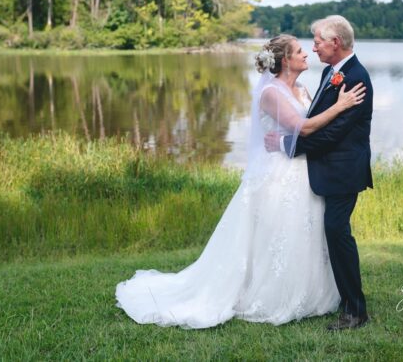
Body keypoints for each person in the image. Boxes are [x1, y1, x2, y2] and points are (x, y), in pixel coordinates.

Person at [115, 34, 365, 329]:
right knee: (275, 234)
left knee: (303, 232)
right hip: (278, 176)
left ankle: (310, 292)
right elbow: (302, 127)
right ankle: (271, 294)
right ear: (285, 60)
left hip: (303, 173)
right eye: (299, 51)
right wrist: (341, 105)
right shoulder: (271, 93)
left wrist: (335, 106)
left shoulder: (302, 88)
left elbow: (306, 129)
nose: (306, 54)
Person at [265, 15, 373, 330]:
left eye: (317, 42)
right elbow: (316, 120)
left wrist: (287, 144)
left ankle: (355, 310)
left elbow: (332, 134)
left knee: (338, 233)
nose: (313, 49)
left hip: (343, 171)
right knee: (331, 233)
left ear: (335, 43)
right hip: (327, 170)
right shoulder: (331, 72)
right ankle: (341, 299)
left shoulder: (356, 78)